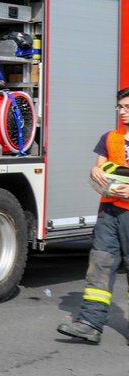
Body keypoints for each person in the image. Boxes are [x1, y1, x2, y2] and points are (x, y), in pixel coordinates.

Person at [57, 88, 129, 344]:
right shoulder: (110, 138)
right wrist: (95, 172)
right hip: (109, 211)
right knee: (100, 264)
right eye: (120, 107)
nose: (122, 112)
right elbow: (99, 168)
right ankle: (90, 323)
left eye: (127, 107)